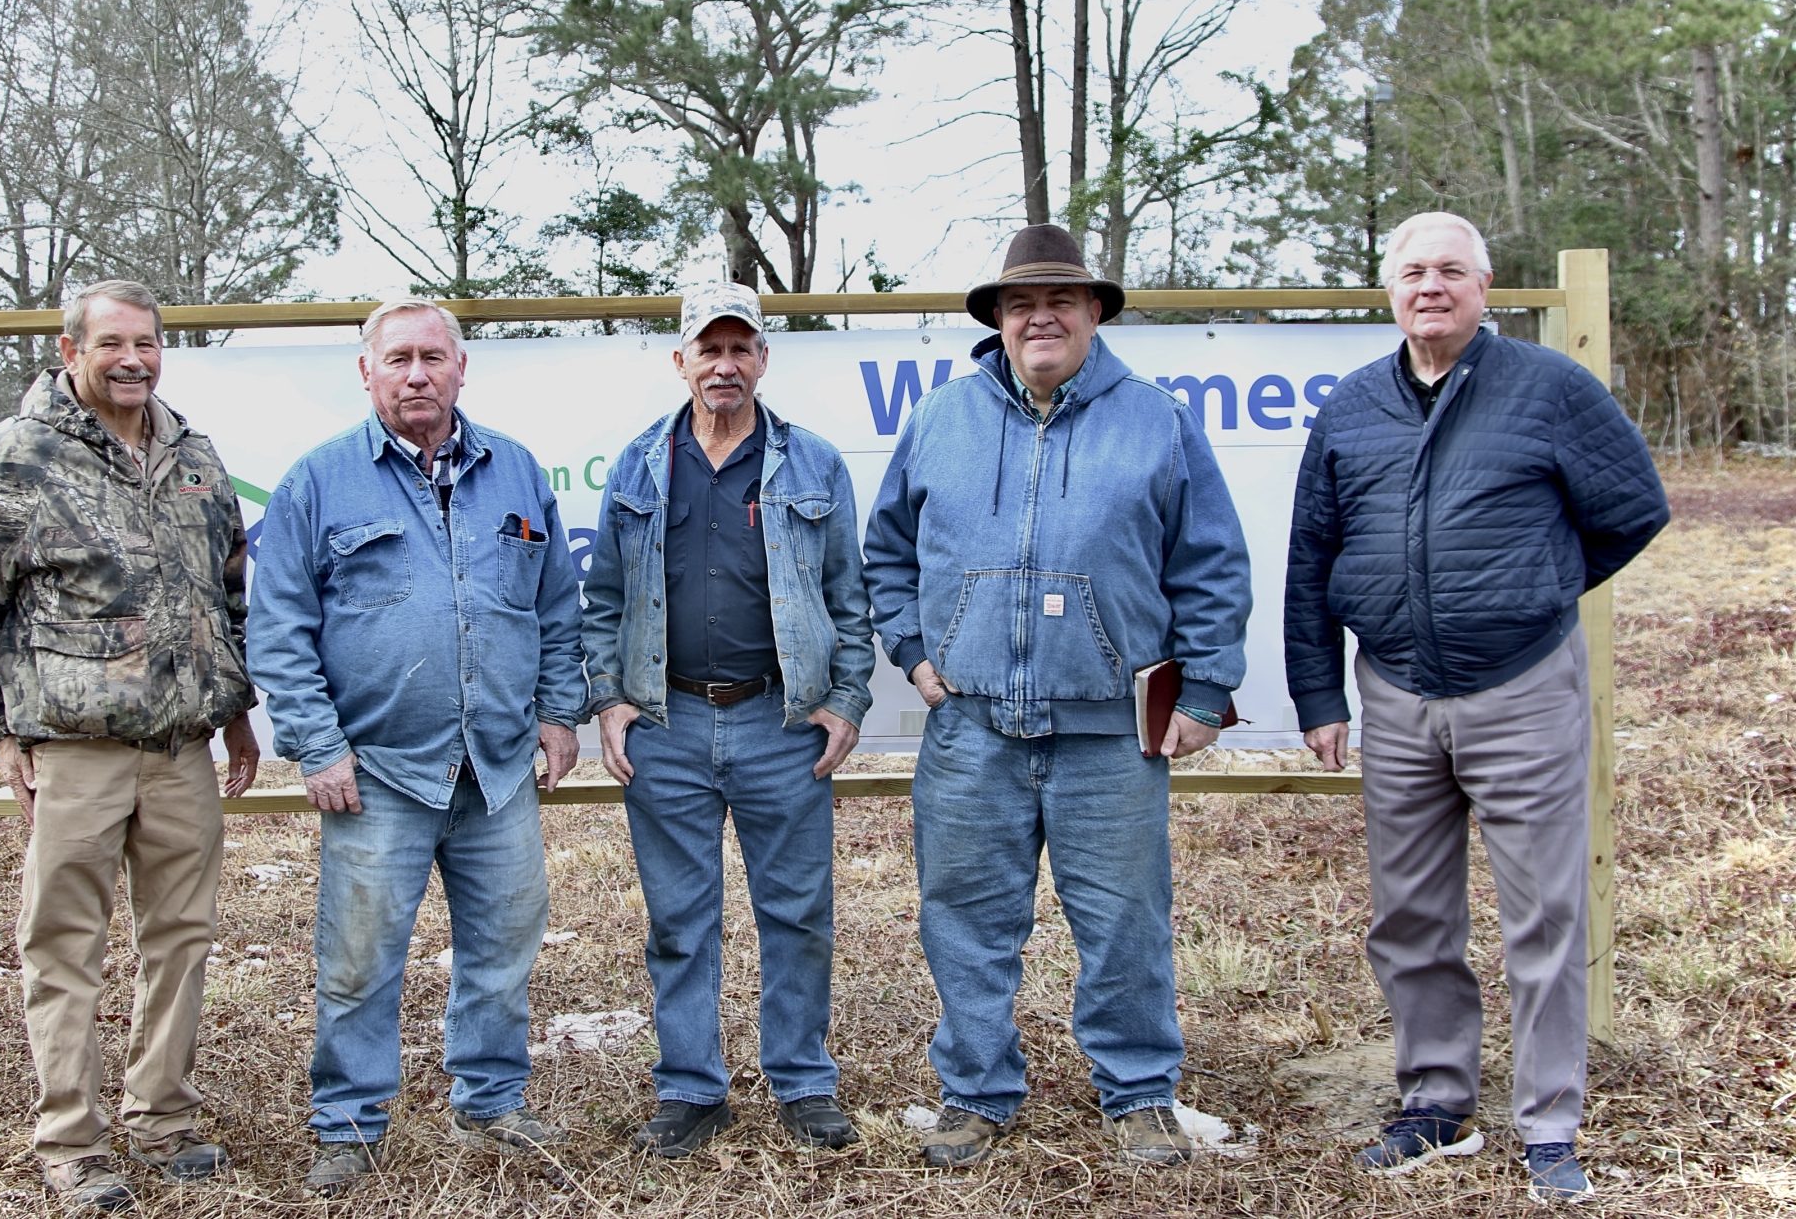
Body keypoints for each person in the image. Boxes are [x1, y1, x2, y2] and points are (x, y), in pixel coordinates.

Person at [1284, 211, 1668, 1204]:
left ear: (1484, 285)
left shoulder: (1548, 391)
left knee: (1542, 916)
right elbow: (1310, 557)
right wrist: (1317, 692)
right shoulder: (1352, 408)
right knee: (1409, 917)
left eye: (1449, 271)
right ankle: (1433, 1105)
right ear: (1388, 291)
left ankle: (1548, 1124)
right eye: (1411, 273)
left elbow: (1631, 510)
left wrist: (1533, 588)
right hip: (1397, 694)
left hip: (1522, 692)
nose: (1430, 288)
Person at [863, 224, 1252, 1169]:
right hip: (973, 730)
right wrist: (916, 652)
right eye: (1020, 303)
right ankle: (975, 1089)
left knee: (1125, 920)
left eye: (1061, 302)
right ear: (998, 321)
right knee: (963, 916)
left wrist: (1203, 688)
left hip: (1110, 731)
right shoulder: (940, 417)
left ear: (1093, 314)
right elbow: (885, 552)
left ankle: (1140, 1091)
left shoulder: (1156, 420)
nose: (1041, 316)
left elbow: (1210, 564)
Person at [0, 279, 260, 1214]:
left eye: (147, 343)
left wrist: (234, 708)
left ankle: (164, 1114)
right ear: (70, 349)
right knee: (66, 947)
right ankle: (73, 1141)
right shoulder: (21, 455)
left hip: (182, 748)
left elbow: (227, 591)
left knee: (182, 939)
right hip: (75, 750)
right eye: (112, 342)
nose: (133, 359)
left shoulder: (192, 453)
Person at [245, 298, 584, 1196]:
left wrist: (558, 712)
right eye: (397, 358)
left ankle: (492, 1096)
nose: (417, 374)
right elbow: (279, 627)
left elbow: (555, 606)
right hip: (377, 772)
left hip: (498, 766)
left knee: (504, 947)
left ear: (462, 367)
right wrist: (317, 746)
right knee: (359, 960)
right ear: (366, 372)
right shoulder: (317, 482)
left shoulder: (513, 471)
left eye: (433, 356)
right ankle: (350, 1123)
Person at [581, 282, 875, 1156]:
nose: (724, 364)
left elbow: (848, 600)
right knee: (680, 919)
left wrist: (846, 701)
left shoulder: (814, 464)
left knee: (798, 913)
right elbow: (600, 599)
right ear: (680, 361)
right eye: (708, 349)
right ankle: (691, 1088)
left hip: (780, 724)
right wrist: (610, 699)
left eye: (740, 347)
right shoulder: (636, 465)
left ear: (763, 359)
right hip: (667, 725)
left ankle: (803, 1081)